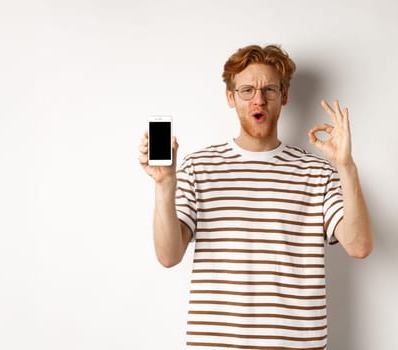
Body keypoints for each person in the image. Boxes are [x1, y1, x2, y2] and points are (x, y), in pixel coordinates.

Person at [137, 44, 373, 349]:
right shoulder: (199, 167)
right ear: (231, 97)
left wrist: (346, 165)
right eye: (247, 90)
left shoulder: (317, 172)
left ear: (284, 96)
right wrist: (164, 183)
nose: (258, 100)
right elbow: (168, 256)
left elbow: (360, 246)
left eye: (270, 89)